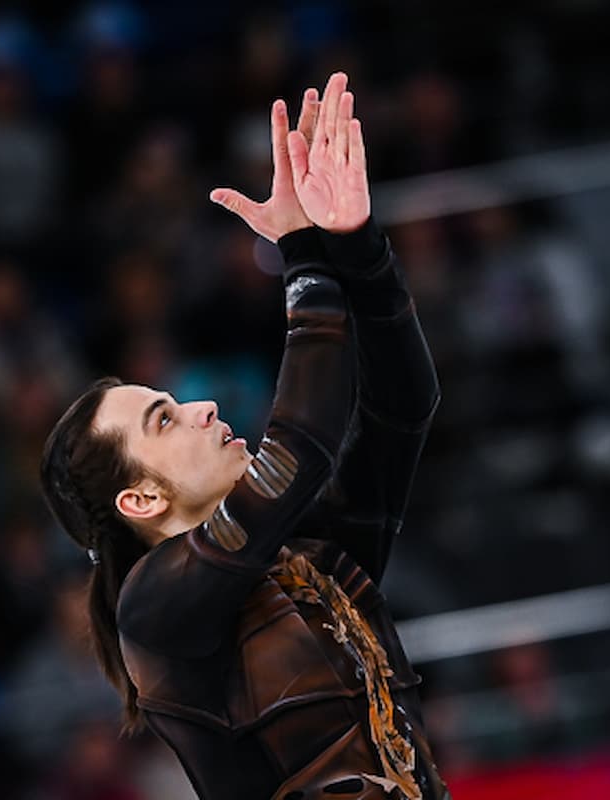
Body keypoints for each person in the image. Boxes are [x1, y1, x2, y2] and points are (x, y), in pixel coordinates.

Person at [40, 72, 449, 800]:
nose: (200, 409)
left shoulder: (310, 558)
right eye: (162, 420)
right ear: (139, 499)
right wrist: (301, 254)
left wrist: (356, 248)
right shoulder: (155, 612)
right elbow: (301, 448)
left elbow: (402, 408)